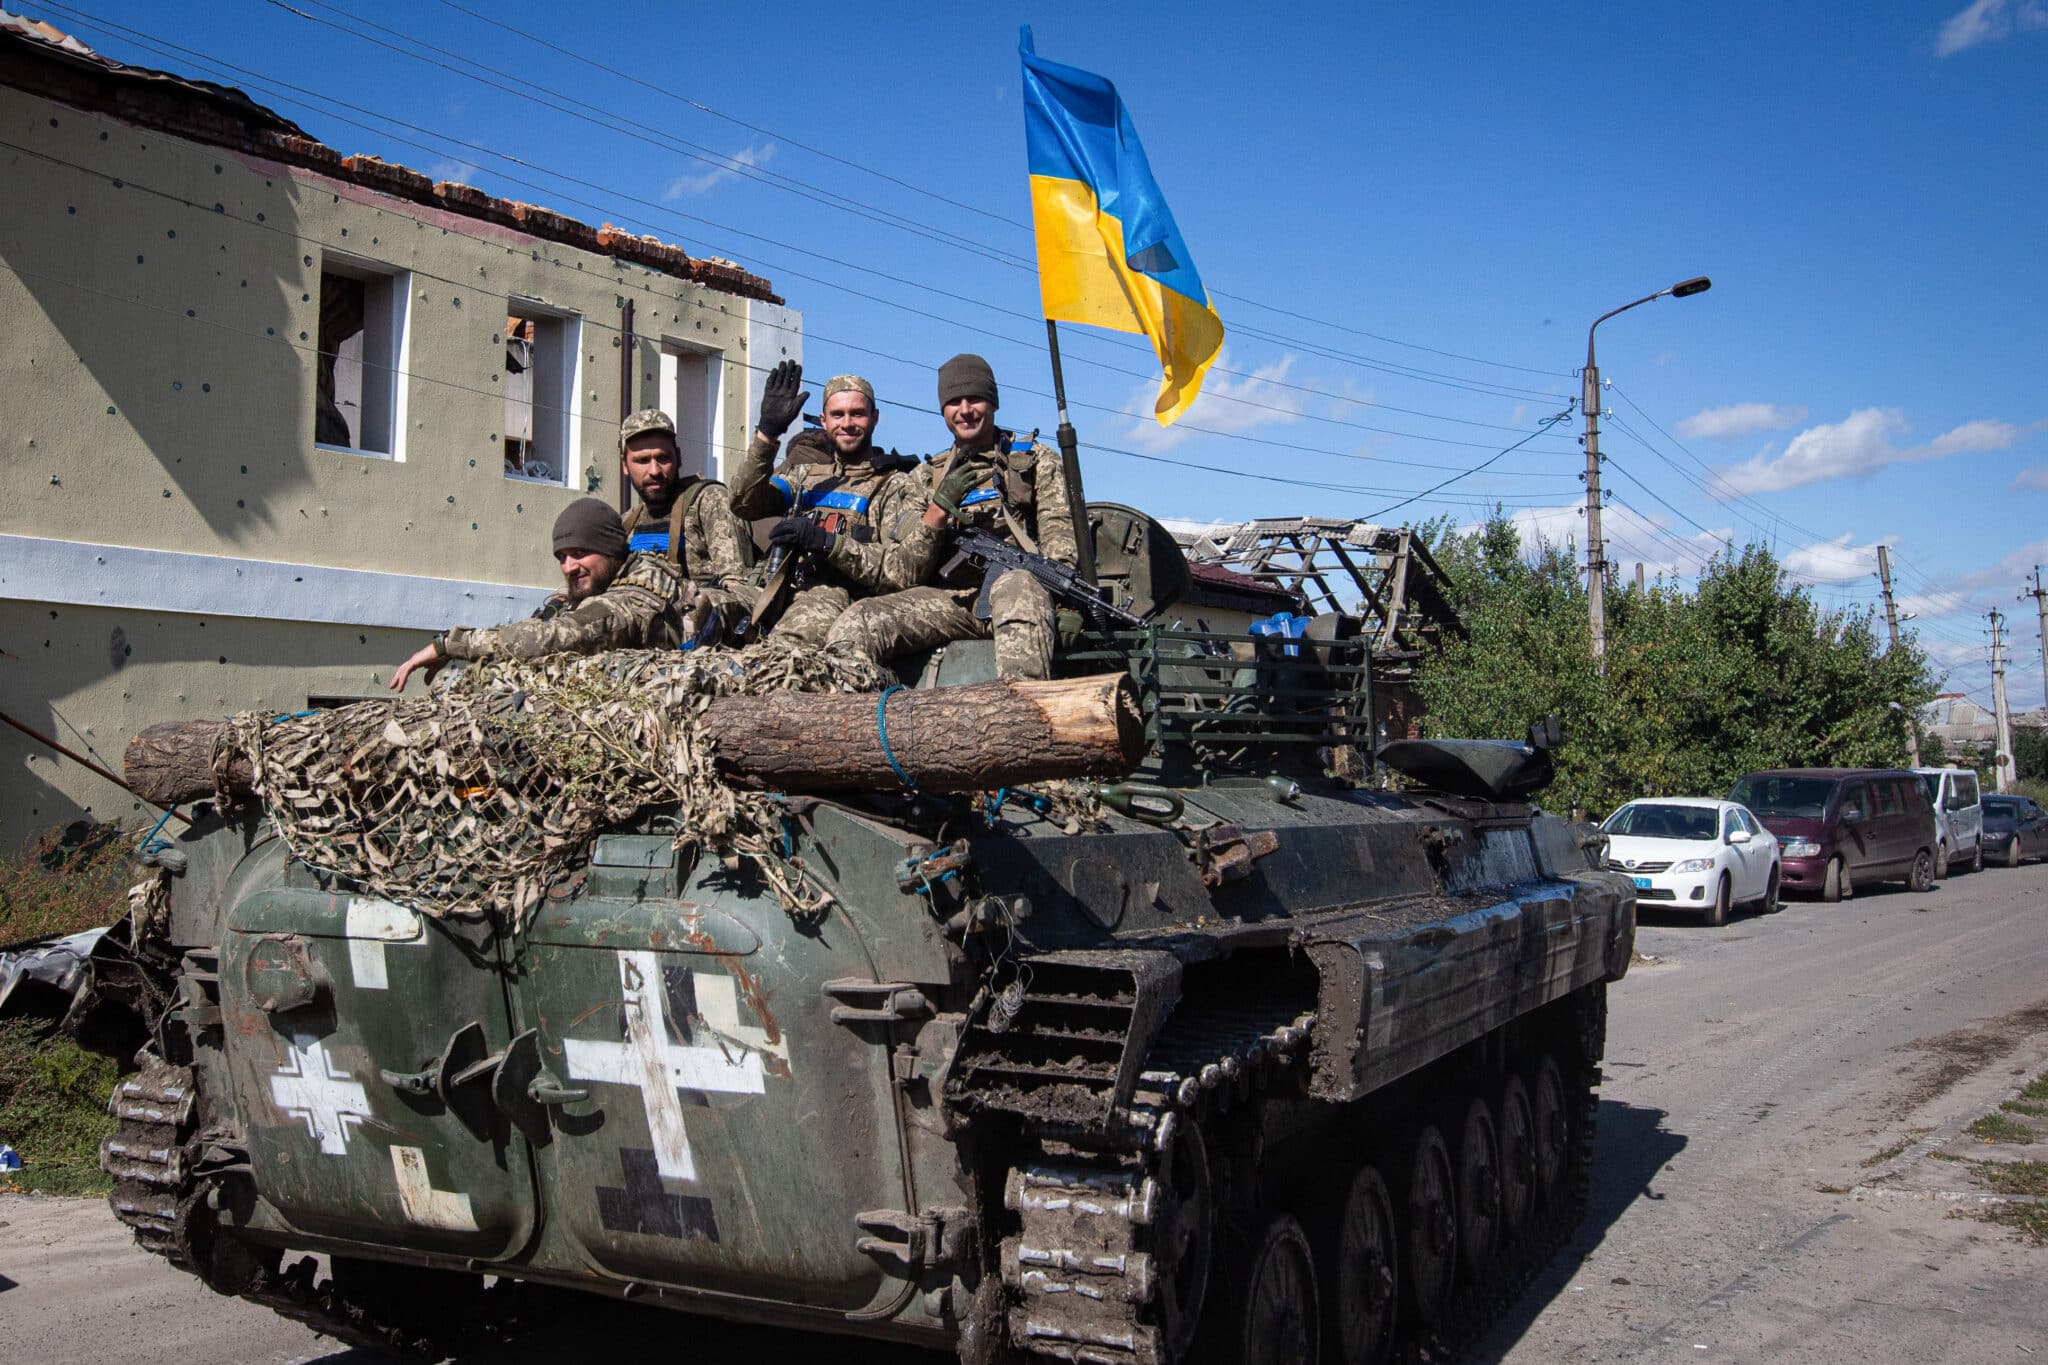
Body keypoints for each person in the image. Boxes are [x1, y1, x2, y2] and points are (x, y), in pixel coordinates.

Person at [824, 353, 1076, 680]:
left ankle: (1020, 715)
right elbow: (905, 572)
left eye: (976, 399)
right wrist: (938, 510)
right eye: (955, 401)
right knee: (857, 622)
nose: (966, 410)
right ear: (943, 409)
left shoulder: (1034, 461)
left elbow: (1060, 541)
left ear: (993, 403)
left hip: (1018, 597)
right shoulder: (925, 477)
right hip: (949, 601)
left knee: (1018, 584)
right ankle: (875, 711)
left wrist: (1065, 603)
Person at [389, 498, 695, 690]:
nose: (568, 567)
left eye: (579, 552)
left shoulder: (635, 596)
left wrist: (450, 644)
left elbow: (553, 637)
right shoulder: (593, 590)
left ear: (611, 550)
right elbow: (537, 629)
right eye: (561, 556)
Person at [726, 362, 922, 644]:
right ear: (823, 420)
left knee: (783, 650)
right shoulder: (804, 476)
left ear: (875, 418)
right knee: (710, 607)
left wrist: (827, 543)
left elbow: (896, 570)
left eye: (857, 414)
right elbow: (742, 502)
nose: (847, 424)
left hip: (835, 594)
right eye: (837, 415)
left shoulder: (894, 485)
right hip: (776, 586)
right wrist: (767, 435)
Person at [615, 407, 752, 638]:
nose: (654, 470)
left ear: (678, 457)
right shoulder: (626, 523)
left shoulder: (708, 500)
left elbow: (740, 592)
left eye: (663, 458)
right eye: (642, 460)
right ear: (625, 466)